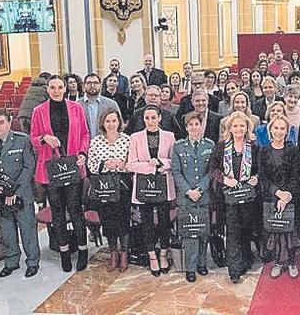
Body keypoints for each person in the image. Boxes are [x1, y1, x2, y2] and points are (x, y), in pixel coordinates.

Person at [30, 75, 91, 272]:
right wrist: (44, 138)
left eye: (60, 87)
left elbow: (85, 134)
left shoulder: (76, 108)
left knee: (75, 210)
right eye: (52, 87)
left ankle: (82, 251)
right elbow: (32, 139)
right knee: (57, 212)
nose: (56, 91)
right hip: (52, 170)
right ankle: (64, 252)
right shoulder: (39, 111)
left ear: (65, 89)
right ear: (47, 90)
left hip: (73, 166)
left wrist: (83, 153)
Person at [0, 110, 41, 278]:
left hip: (21, 195)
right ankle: (11, 261)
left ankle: (32, 262)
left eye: (1, 122)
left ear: (9, 122)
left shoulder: (22, 140)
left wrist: (14, 191)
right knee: (7, 231)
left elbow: (29, 167)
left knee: (28, 231)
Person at [210, 112, 260, 284]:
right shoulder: (222, 146)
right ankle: (234, 269)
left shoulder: (253, 146)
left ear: (247, 127)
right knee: (232, 232)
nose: (238, 129)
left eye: (242, 125)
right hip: (228, 198)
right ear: (229, 128)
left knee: (246, 229)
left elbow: (259, 168)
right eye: (235, 126)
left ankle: (245, 260)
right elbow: (213, 167)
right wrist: (224, 179)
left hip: (248, 197)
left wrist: (256, 177)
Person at [127, 106, 176, 276]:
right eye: (147, 118)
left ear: (159, 118)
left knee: (164, 222)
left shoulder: (169, 136)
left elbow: (173, 161)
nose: (150, 121)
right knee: (146, 223)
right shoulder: (135, 137)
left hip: (163, 186)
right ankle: (152, 256)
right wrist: (151, 167)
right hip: (144, 187)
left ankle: (163, 254)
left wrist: (161, 163)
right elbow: (130, 164)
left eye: (153, 117)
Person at [87, 108, 132, 272]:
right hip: (104, 187)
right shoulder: (95, 141)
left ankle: (124, 253)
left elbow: (133, 162)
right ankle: (113, 253)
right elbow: (90, 165)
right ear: (102, 123)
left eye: (114, 120)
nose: (111, 124)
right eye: (108, 121)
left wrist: (122, 165)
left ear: (119, 122)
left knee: (123, 221)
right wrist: (105, 164)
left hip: (123, 185)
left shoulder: (127, 140)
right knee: (108, 222)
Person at [258, 115, 300, 278]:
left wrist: (287, 195)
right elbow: (263, 177)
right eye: (275, 128)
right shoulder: (264, 150)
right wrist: (277, 193)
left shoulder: (292, 149)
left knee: (290, 231)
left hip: (290, 196)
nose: (278, 131)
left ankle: (291, 262)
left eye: (282, 128)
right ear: (270, 130)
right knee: (275, 231)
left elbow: (295, 174)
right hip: (271, 196)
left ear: (287, 131)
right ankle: (277, 262)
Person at [172, 111, 215, 282]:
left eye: (197, 124)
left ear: (201, 126)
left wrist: (201, 189)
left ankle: (202, 263)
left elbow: (211, 170)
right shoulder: (179, 146)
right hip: (186, 197)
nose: (194, 127)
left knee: (203, 231)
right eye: (191, 125)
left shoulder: (209, 145)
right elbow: (176, 171)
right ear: (186, 127)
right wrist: (189, 191)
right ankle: (190, 267)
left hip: (204, 196)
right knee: (190, 232)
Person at [80, 73, 120, 139]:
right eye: (89, 83)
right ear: (84, 85)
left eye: (96, 83)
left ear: (100, 85)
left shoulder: (111, 104)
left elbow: (119, 126)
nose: (92, 85)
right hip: (83, 146)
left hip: (105, 145)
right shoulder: (77, 105)